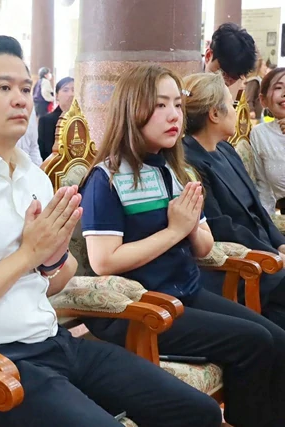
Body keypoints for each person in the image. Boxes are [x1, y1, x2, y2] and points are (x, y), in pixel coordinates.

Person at [0, 35, 222, 427]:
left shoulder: (32, 177)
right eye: (3, 88)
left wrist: (52, 259)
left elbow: (56, 280)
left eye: (25, 89)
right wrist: (29, 254)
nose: (21, 100)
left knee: (197, 412)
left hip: (54, 342)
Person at [79, 64, 284, 427]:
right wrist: (175, 231)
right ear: (132, 109)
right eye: (160, 105)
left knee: (276, 337)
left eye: (177, 104)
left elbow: (203, 248)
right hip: (138, 308)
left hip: (185, 293)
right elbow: (104, 261)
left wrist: (192, 226)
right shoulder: (107, 177)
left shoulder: (176, 170)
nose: (174, 115)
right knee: (254, 341)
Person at [182, 71, 285, 324]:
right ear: (214, 114)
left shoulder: (226, 149)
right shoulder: (189, 161)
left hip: (267, 253)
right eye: (231, 104)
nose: (237, 110)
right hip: (241, 265)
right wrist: (273, 256)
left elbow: (257, 208)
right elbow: (220, 226)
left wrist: (280, 244)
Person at [252, 67, 285, 214]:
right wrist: (267, 223)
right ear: (263, 100)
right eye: (278, 88)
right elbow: (263, 188)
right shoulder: (260, 134)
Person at [203, 22, 256, 97]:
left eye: (234, 77)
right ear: (208, 56)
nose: (226, 81)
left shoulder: (236, 91)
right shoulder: (188, 84)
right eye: (222, 72)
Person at [37, 76, 74, 160]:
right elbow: (46, 153)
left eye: (74, 90)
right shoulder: (46, 120)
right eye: (65, 90)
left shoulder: (83, 120)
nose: (71, 94)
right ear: (57, 96)